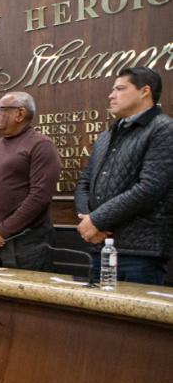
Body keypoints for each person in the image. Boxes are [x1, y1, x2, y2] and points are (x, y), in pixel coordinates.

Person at [75, 67, 173, 284]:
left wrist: (98, 220)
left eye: (120, 89)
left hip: (140, 253)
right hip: (99, 245)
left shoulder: (163, 128)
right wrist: (88, 221)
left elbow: (150, 187)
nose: (111, 95)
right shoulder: (106, 135)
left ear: (144, 91)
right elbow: (84, 183)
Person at [0, 92, 61, 271]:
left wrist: (2, 231)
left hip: (26, 245)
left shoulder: (41, 145)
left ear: (20, 114)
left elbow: (40, 196)